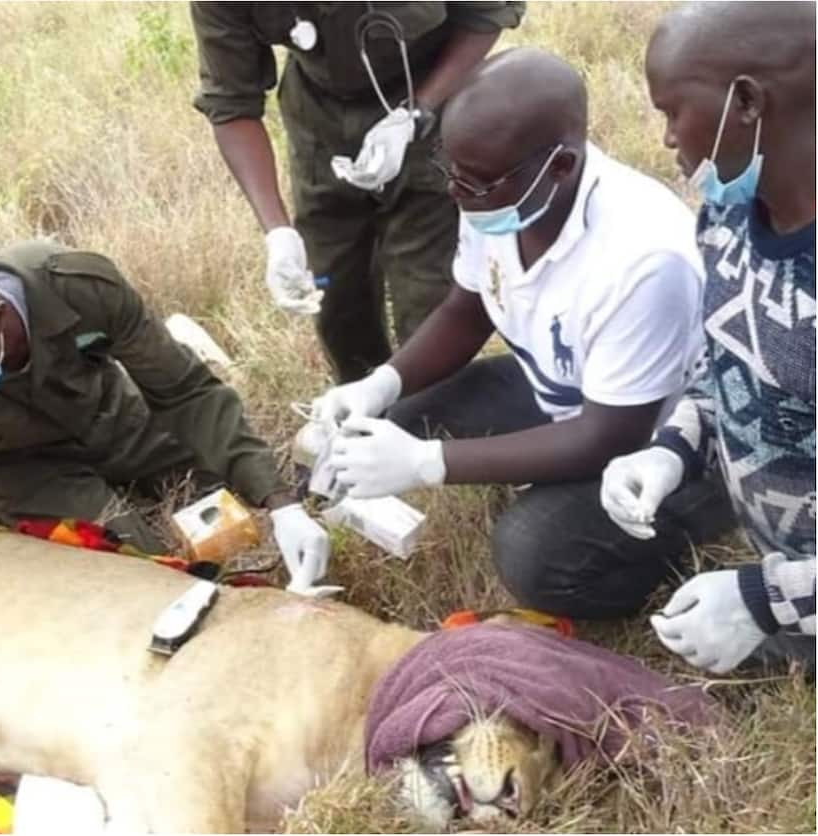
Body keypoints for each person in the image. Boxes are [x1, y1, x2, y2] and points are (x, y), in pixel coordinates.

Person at [0, 241, 330, 812]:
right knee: (135, 559)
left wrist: (279, 501)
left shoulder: (76, 289)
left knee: (228, 472)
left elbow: (183, 391)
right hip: (20, 466)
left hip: (114, 421)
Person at [314, 47, 733, 618]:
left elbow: (609, 437)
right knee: (391, 421)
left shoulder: (644, 257)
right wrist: (379, 384)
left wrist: (428, 463)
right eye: (450, 171)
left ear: (560, 166)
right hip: (566, 387)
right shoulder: (496, 185)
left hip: (664, 443)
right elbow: (467, 309)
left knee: (535, 554)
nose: (456, 194)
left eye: (474, 182)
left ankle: (694, 524)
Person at [601, 1, 816, 676]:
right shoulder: (726, 212)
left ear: (746, 101)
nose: (666, 139)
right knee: (547, 557)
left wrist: (764, 598)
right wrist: (673, 446)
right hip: (772, 531)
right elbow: (729, 356)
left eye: (672, 110)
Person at [190, 2, 525, 382]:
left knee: (428, 301)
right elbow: (231, 103)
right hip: (319, 120)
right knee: (337, 305)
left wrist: (417, 112)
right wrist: (278, 232)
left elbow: (487, 14)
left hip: (431, 101)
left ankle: (432, 422)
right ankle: (365, 408)